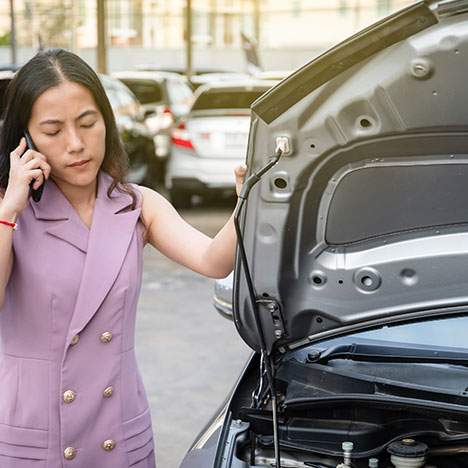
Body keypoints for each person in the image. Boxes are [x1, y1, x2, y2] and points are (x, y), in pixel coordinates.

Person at [0, 48, 247, 468]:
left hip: (117, 430)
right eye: (53, 130)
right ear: (26, 139)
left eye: (87, 123)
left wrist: (247, 201)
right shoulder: (9, 210)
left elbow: (213, 260)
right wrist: (9, 211)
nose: (76, 144)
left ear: (107, 121)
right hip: (32, 435)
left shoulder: (137, 205)